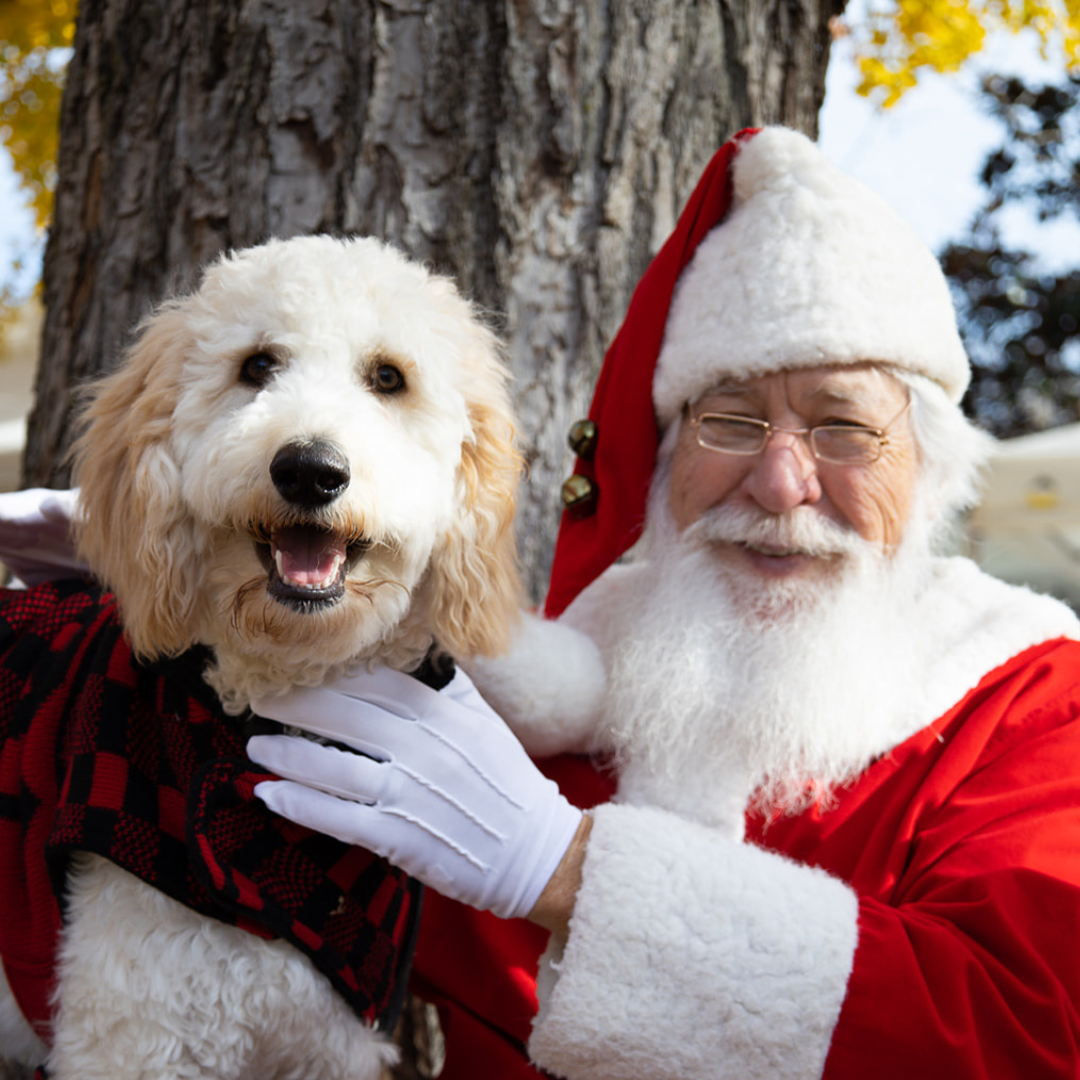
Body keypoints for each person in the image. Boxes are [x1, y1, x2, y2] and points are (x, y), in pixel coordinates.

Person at [6, 126, 1080, 1079]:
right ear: (663, 464)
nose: (782, 484)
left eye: (844, 430)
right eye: (732, 423)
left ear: (933, 472)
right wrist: (130, 617)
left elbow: (1027, 1028)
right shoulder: (543, 684)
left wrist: (568, 871)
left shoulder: (1032, 698)